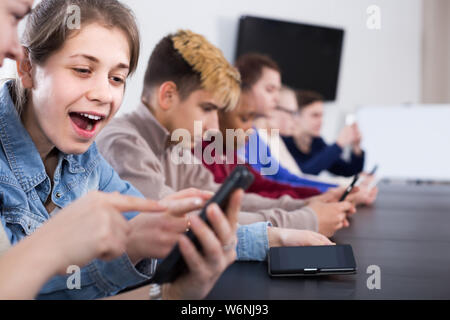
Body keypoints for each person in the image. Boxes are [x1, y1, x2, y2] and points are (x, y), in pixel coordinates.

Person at [0, 0, 240, 300]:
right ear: (27, 69)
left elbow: (157, 226)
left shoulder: (87, 158)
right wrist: (131, 247)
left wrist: (172, 294)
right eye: (83, 69)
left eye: (116, 78)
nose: (103, 94)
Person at [96, 30, 353, 241]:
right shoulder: (124, 143)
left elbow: (221, 199)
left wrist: (306, 205)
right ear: (168, 96)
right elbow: (184, 222)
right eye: (207, 108)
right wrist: (305, 220)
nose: (213, 126)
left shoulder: (175, 145)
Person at [283, 90, 365, 177]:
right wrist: (338, 144)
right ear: (296, 115)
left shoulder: (317, 142)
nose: (321, 121)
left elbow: (348, 171)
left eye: (322, 115)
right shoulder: (283, 142)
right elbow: (303, 173)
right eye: (315, 115)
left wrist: (356, 148)